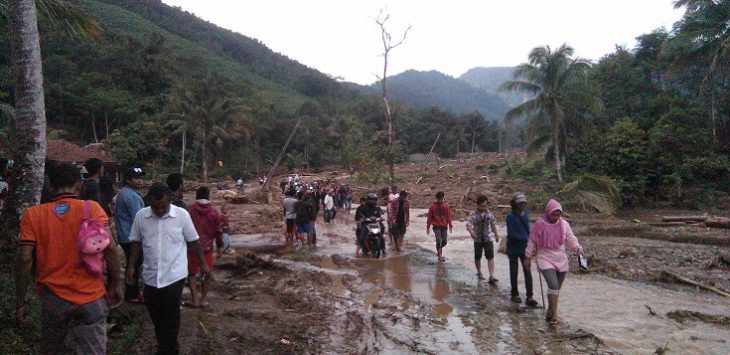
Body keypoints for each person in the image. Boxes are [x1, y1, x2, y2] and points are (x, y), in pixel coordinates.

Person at [15, 163, 123, 355]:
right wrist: (116, 284)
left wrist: (21, 300)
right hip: (91, 296)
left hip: (53, 299)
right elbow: (111, 249)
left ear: (49, 185)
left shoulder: (33, 215)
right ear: (78, 186)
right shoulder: (93, 209)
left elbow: (25, 259)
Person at [126, 183, 209, 354]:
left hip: (174, 275)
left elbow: (193, 241)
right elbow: (136, 242)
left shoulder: (181, 216)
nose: (160, 210)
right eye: (156, 207)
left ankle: (168, 349)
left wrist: (203, 264)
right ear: (149, 201)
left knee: (171, 316)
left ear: (170, 200)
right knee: (156, 315)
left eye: (163, 206)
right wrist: (131, 265)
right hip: (150, 275)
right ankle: (166, 344)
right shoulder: (141, 216)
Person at [525, 199, 583, 325]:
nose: (556, 217)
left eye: (558, 215)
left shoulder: (564, 225)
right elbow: (532, 240)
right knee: (553, 285)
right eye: (553, 214)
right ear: (548, 212)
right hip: (545, 258)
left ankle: (549, 312)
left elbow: (570, 238)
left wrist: (577, 247)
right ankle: (554, 315)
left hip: (560, 258)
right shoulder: (540, 224)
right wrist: (528, 255)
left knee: (556, 288)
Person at [187, 186, 224, 308]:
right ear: (208, 196)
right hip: (207, 248)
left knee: (192, 274)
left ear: (196, 196)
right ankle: (203, 299)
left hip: (192, 247)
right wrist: (219, 246)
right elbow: (218, 231)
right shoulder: (213, 212)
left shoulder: (190, 210)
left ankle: (194, 299)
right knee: (205, 274)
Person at [115, 166, 146, 302]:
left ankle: (132, 292)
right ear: (128, 179)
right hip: (130, 237)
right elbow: (138, 218)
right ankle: (132, 294)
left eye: (140, 178)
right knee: (134, 263)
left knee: (132, 263)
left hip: (125, 234)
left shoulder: (125, 193)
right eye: (136, 178)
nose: (139, 181)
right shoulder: (131, 196)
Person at [506, 193, 538, 307]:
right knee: (514, 271)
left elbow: (528, 230)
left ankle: (530, 296)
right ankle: (514, 294)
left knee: (527, 271)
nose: (523, 204)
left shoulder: (526, 214)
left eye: (524, 202)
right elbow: (511, 234)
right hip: (513, 248)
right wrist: (527, 238)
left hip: (525, 248)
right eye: (520, 203)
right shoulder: (510, 217)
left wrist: (532, 243)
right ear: (515, 204)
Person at [466, 195, 500, 283]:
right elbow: (468, 225)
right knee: (478, 257)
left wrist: (496, 235)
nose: (484, 208)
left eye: (485, 206)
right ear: (477, 205)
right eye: (482, 206)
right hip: (478, 239)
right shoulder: (473, 214)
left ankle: (491, 275)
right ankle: (479, 272)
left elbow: (493, 225)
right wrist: (472, 233)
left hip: (488, 238)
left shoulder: (489, 213)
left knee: (490, 257)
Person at [426, 191, 453, 262]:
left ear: (443, 198)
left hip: (444, 226)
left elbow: (449, 216)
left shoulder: (446, 206)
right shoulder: (432, 207)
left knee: (444, 241)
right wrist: (428, 227)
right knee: (438, 240)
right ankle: (440, 256)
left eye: (442, 199)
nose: (440, 201)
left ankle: (439, 250)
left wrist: (450, 225)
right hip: (436, 226)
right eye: (439, 199)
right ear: (436, 199)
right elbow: (429, 217)